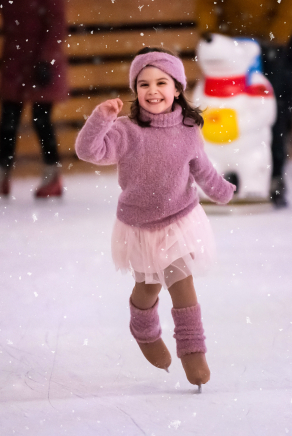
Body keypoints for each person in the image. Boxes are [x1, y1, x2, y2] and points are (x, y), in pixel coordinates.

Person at [75, 47, 236, 389]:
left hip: (179, 219)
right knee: (148, 287)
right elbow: (89, 151)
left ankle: (193, 353)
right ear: (135, 91)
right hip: (139, 225)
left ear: (176, 87)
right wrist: (100, 119)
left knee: (182, 283)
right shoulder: (126, 130)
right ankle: (143, 327)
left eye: (161, 82)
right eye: (144, 84)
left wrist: (221, 190)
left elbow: (201, 168)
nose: (153, 91)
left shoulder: (189, 129)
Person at [196, 0, 292, 207]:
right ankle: (228, 173)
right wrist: (213, 36)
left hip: (275, 43)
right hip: (230, 44)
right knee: (224, 107)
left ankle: (272, 174)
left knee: (271, 110)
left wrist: (276, 36)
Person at [0, 0, 68, 198]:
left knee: (41, 118)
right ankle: (3, 174)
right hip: (15, 60)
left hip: (41, 62)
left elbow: (56, 23)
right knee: (9, 120)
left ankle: (52, 174)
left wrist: (46, 58)